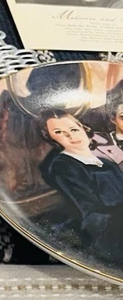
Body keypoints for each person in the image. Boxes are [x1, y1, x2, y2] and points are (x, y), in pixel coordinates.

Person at [38, 109, 123, 263]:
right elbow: (89, 205)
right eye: (59, 132)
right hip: (102, 225)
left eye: (74, 129)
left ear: (84, 129)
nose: (71, 136)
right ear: (51, 138)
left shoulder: (107, 164)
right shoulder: (63, 165)